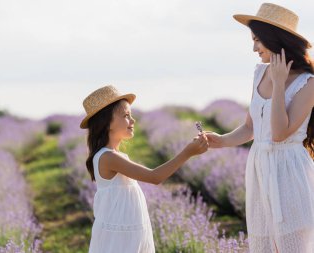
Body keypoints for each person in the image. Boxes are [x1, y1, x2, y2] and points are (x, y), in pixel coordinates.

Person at [206, 3, 314, 252]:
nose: (254, 48)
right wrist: (221, 140)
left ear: (275, 40)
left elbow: (278, 134)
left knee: (294, 245)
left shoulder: (308, 83)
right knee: (264, 243)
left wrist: (278, 84)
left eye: (258, 41)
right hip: (260, 168)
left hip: (289, 170)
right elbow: (249, 127)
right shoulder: (259, 74)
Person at [80, 85, 208, 253]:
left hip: (127, 233)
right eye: (126, 116)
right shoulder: (108, 157)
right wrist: (187, 152)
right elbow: (154, 177)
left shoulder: (114, 156)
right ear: (107, 123)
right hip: (119, 238)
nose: (132, 121)